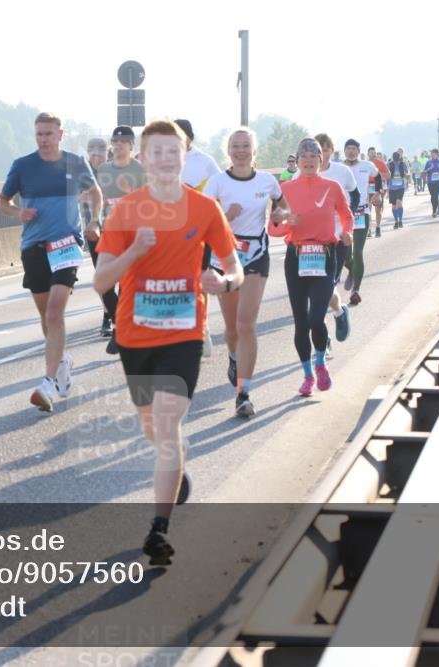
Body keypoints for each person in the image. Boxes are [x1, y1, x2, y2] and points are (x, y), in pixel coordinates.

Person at [93, 119, 242, 565]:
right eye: (155, 152)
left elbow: (235, 267)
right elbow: (101, 280)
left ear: (185, 153)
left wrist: (225, 282)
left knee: (167, 424)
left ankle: (158, 529)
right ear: (142, 158)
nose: (164, 159)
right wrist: (135, 252)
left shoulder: (204, 209)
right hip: (136, 335)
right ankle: (176, 472)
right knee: (152, 428)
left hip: (184, 332)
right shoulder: (126, 211)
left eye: (172, 151)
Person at [0, 112, 102, 413]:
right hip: (34, 247)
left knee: (56, 312)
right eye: (39, 134)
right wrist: (19, 213)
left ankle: (47, 383)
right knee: (47, 318)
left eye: (48, 134)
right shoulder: (23, 166)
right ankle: (62, 361)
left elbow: (96, 193)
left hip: (67, 244)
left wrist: (94, 221)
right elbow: (3, 202)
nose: (43, 139)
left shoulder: (75, 163)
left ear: (61, 134)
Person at [203, 128, 287, 418]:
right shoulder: (217, 182)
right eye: (235, 146)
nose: (240, 151)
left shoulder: (266, 181)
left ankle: (243, 393)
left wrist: (279, 215)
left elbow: (282, 204)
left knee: (247, 323)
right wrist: (227, 216)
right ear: (228, 150)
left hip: (256, 256)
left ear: (254, 150)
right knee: (231, 329)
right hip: (224, 256)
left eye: (246, 146)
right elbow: (202, 223)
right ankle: (233, 356)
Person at [270, 138, 354, 396]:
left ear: (321, 160)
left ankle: (320, 364)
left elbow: (346, 215)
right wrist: (287, 223)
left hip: (324, 254)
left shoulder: (333, 186)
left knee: (316, 318)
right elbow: (273, 227)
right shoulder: (285, 189)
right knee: (301, 322)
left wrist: (347, 233)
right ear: (297, 160)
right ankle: (307, 375)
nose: (308, 160)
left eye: (313, 156)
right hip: (296, 256)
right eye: (303, 156)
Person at [292, 133, 357, 344]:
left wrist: (348, 228)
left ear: (326, 153)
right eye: (306, 154)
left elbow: (353, 199)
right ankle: (323, 334)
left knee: (327, 288)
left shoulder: (341, 173)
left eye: (322, 151)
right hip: (306, 244)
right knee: (314, 291)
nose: (311, 158)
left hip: (334, 241)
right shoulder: (296, 178)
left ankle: (336, 313)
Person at [91, 126, 147, 355]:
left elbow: (148, 201)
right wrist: (93, 219)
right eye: (115, 140)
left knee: (125, 284)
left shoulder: (139, 169)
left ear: (132, 145)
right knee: (103, 283)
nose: (118, 144)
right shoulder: (103, 168)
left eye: (124, 140)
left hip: (130, 233)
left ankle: (119, 331)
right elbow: (97, 197)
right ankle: (120, 323)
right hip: (107, 231)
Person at [174, 119, 222, 358]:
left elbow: (221, 189)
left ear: (189, 138)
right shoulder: (162, 159)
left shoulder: (204, 161)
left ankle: (202, 327)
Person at [83, 137, 115, 344]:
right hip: (95, 233)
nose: (96, 158)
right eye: (92, 154)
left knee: (119, 276)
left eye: (100, 153)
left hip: (119, 232)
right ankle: (109, 315)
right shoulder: (82, 175)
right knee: (103, 276)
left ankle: (113, 316)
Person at [341, 139, 380, 306]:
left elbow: (378, 177)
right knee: (344, 255)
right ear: (344, 151)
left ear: (358, 150)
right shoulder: (338, 168)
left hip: (362, 212)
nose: (351, 151)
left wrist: (377, 193)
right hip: (343, 215)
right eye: (348, 148)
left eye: (354, 149)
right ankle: (351, 269)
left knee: (358, 252)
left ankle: (356, 290)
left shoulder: (367, 165)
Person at [367, 147, 391, 238]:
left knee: (378, 209)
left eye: (374, 153)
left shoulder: (380, 163)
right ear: (368, 154)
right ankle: (368, 229)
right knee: (367, 210)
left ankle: (377, 227)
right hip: (367, 187)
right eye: (371, 153)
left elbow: (388, 175)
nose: (373, 154)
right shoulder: (365, 164)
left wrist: (378, 174)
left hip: (378, 187)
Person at [387, 151, 410, 227]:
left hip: (400, 187)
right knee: (394, 205)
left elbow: (407, 173)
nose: (396, 160)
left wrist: (405, 175)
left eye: (397, 158)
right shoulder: (389, 165)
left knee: (399, 202)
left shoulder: (402, 164)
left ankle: (400, 220)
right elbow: (386, 174)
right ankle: (396, 221)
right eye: (394, 158)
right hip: (392, 187)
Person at [423, 149, 439, 216]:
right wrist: (430, 168)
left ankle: (434, 211)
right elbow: (425, 171)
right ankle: (435, 209)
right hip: (430, 182)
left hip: (438, 182)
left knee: (435, 196)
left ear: (437, 154)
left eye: (434, 154)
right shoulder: (429, 162)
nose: (433, 155)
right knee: (433, 197)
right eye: (432, 154)